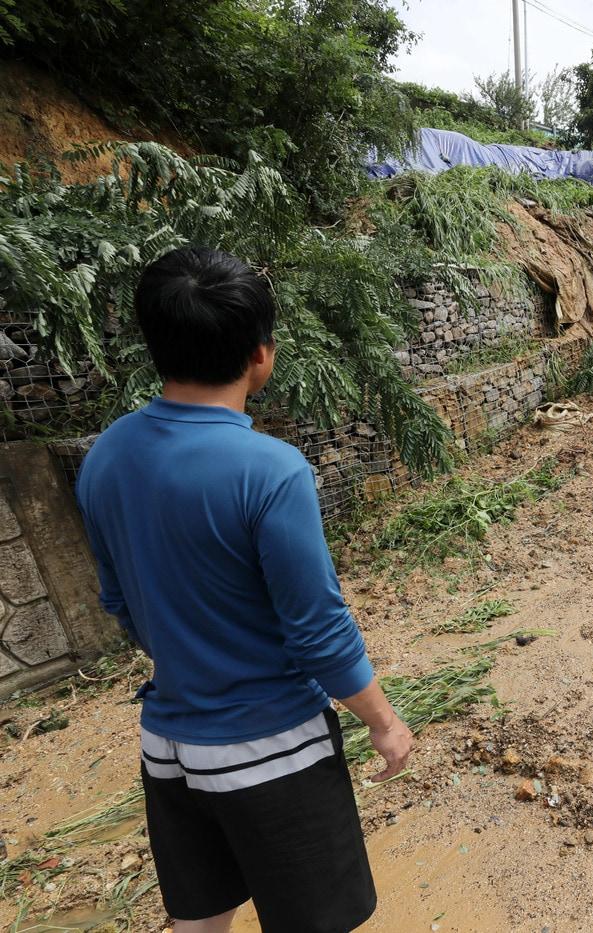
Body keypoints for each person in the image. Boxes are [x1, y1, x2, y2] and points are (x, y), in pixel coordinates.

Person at [75, 246, 412, 933]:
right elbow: (318, 631)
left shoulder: (105, 457)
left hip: (168, 746)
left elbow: (120, 605)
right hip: (271, 751)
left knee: (200, 918)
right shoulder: (271, 471)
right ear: (262, 355)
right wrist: (384, 721)